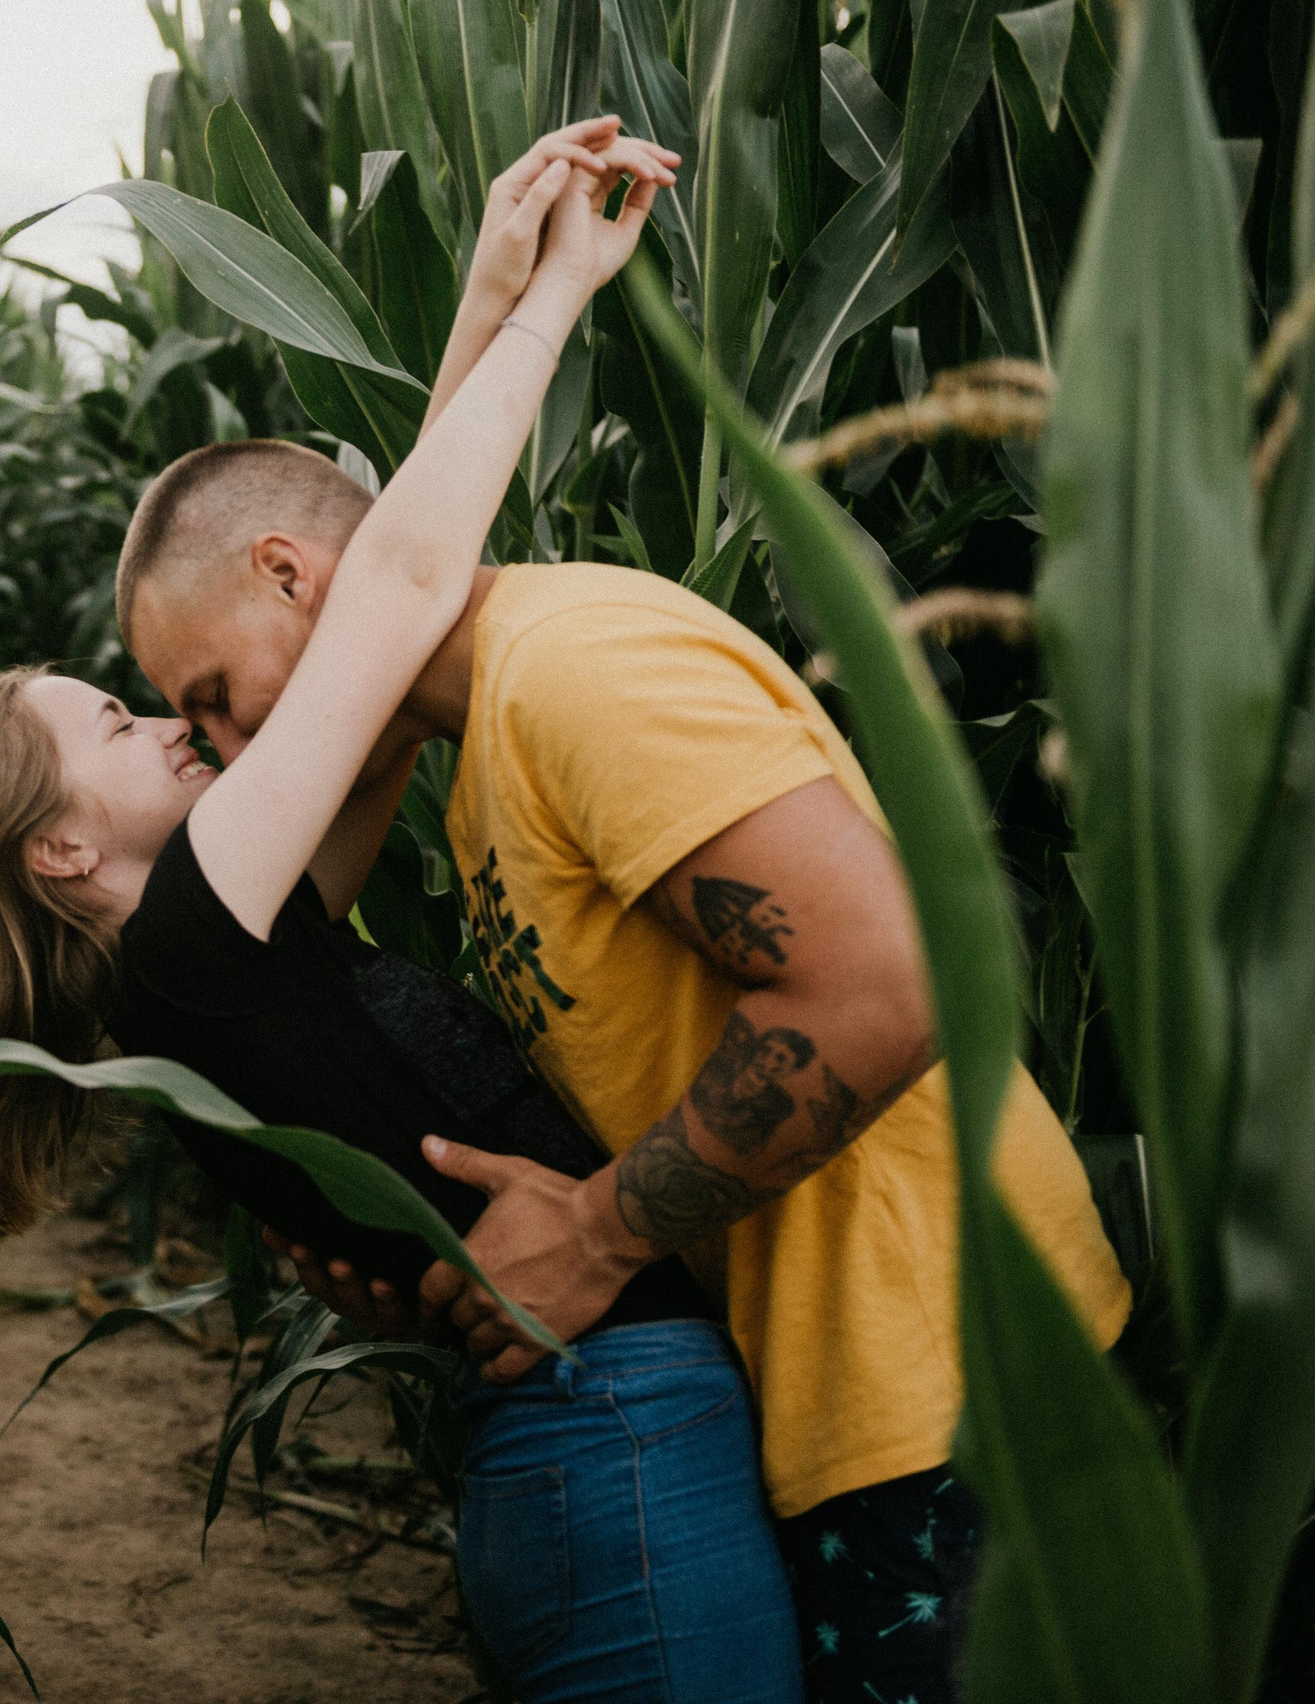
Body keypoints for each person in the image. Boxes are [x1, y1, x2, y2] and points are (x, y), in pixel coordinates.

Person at [109, 182, 1134, 1704]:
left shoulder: (575, 675)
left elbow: (887, 977)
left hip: (956, 1384)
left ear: (285, 574)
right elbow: (398, 571)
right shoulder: (473, 764)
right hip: (844, 1397)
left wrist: (598, 1231)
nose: (216, 743)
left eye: (204, 690)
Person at [0, 121, 805, 1702]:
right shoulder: (190, 948)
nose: (172, 729)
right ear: (61, 859)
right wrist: (558, 294)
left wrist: (482, 298)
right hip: (611, 1435)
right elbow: (404, 588)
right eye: (117, 726)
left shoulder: (225, 962)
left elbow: (379, 632)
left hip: (594, 1438)